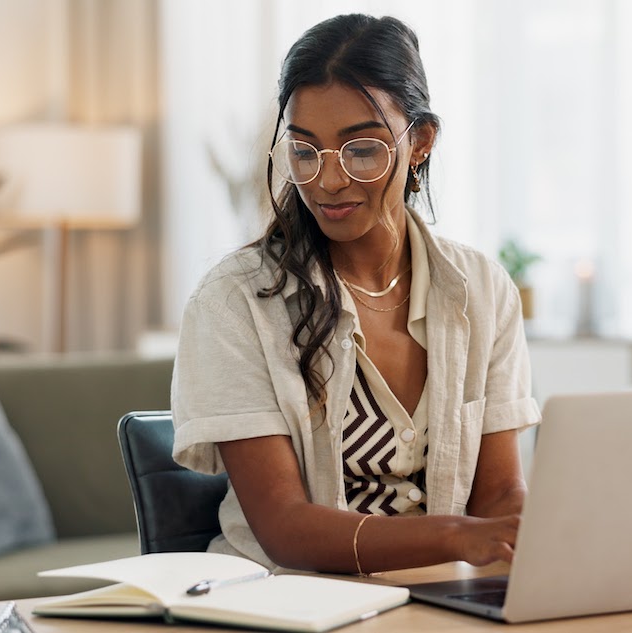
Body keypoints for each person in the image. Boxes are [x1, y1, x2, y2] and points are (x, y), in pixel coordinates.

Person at [172, 13, 540, 574]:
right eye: (304, 150)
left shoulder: (482, 290)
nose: (328, 181)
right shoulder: (233, 301)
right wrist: (455, 539)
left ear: (420, 141)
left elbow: (498, 496)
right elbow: (285, 528)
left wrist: (533, 531)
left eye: (360, 149)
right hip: (288, 602)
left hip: (437, 602)